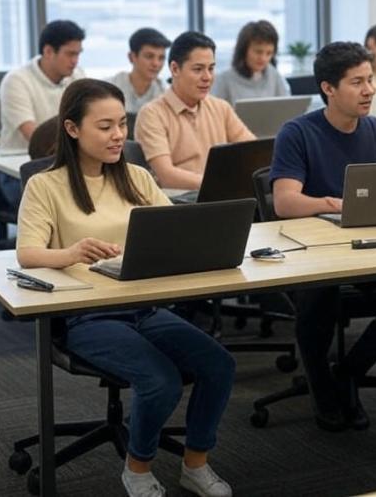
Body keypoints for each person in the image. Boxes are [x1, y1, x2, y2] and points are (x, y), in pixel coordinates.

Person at [16, 79, 235, 497]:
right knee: (162, 381)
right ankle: (137, 470)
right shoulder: (45, 185)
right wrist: (71, 252)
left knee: (219, 365)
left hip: (144, 307)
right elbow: (27, 254)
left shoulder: (136, 177)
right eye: (105, 126)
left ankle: (195, 465)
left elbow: (178, 230)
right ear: (72, 129)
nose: (118, 135)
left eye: (122, 124)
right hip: (87, 315)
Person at [269, 41, 376, 431]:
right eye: (357, 82)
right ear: (328, 88)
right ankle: (320, 383)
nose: (369, 90)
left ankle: (348, 373)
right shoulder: (297, 133)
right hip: (313, 256)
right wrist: (333, 204)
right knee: (318, 302)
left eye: (370, 80)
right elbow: (284, 201)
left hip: (368, 253)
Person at [135, 31, 255, 190]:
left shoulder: (221, 107)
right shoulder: (152, 114)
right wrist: (220, 184)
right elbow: (166, 176)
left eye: (211, 69)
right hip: (179, 200)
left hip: (223, 194)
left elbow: (254, 153)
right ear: (175, 69)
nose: (207, 77)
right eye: (198, 69)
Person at [0, 19, 86, 204]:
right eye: (70, 54)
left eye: (78, 54)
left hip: (70, 164)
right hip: (19, 168)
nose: (75, 61)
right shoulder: (16, 81)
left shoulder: (77, 76)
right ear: (48, 51)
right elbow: (36, 138)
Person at [211, 20, 290, 105]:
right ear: (244, 50)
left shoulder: (274, 75)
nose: (263, 58)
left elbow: (288, 106)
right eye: (258, 52)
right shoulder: (224, 80)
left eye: (269, 53)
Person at [108, 27, 170, 114]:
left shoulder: (164, 95)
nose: (156, 63)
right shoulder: (109, 89)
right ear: (131, 57)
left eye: (161, 58)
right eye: (149, 56)